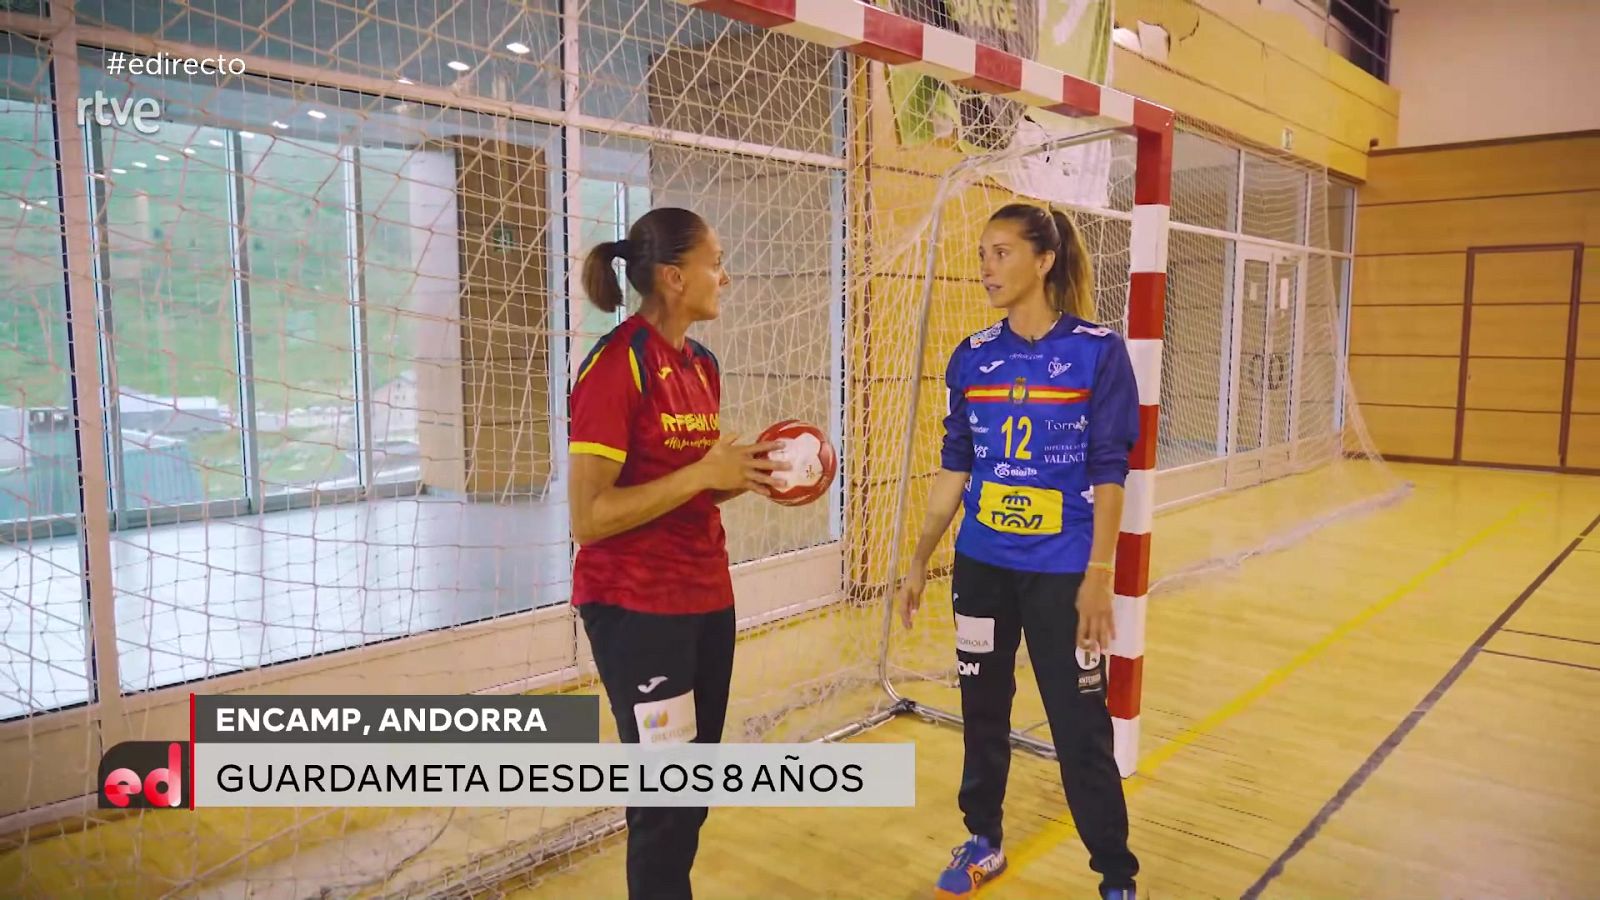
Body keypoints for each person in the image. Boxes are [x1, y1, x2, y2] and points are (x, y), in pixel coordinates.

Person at [896, 202, 1143, 900]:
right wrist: (919, 559)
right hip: (982, 569)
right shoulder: (972, 356)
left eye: (1001, 252)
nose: (986, 267)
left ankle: (1116, 875)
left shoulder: (1098, 351)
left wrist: (1099, 574)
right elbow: (955, 467)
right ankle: (983, 840)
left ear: (1044, 260)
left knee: (1079, 725)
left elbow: (1110, 472)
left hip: (1063, 573)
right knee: (982, 710)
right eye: (982, 254)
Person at [566, 207, 786, 900]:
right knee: (664, 802)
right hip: (636, 608)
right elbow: (589, 519)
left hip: (705, 596)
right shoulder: (616, 365)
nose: (726, 276)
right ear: (673, 276)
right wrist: (701, 475)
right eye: (714, 263)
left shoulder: (702, 364)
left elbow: (689, 484)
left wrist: (745, 475)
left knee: (691, 791)